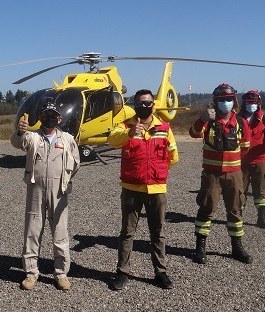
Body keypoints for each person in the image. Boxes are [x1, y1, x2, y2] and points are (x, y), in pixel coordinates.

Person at [107, 89, 179, 291]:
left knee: (158, 232)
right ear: (135, 105)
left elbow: (173, 156)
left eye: (148, 103)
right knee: (127, 232)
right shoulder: (125, 126)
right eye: (140, 103)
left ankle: (160, 272)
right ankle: (122, 272)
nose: (144, 107)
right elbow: (112, 140)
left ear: (153, 105)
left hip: (156, 188)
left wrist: (157, 171)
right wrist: (130, 133)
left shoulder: (164, 128)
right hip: (131, 188)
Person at [11, 99, 80, 291]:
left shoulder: (67, 139)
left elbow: (76, 162)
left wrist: (64, 178)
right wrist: (20, 130)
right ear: (41, 117)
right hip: (36, 189)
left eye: (53, 115)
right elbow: (17, 143)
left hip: (59, 190)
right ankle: (31, 274)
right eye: (46, 115)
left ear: (59, 118)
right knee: (32, 232)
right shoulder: (32, 137)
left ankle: (61, 274)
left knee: (60, 233)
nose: (50, 118)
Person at [189, 83, 253, 264]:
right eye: (222, 100)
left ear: (234, 101)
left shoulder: (241, 122)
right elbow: (193, 133)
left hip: (234, 174)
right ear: (215, 102)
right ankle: (200, 247)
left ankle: (237, 248)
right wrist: (201, 119)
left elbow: (245, 148)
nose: (226, 102)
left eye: (229, 99)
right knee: (207, 209)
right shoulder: (208, 121)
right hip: (212, 175)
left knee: (235, 210)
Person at [238, 91, 265, 229]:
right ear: (244, 103)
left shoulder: (264, 119)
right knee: (240, 191)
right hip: (241, 162)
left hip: (260, 161)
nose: (251, 105)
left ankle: (261, 218)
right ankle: (238, 218)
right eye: (249, 102)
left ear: (259, 103)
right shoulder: (237, 119)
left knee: (261, 192)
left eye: (254, 103)